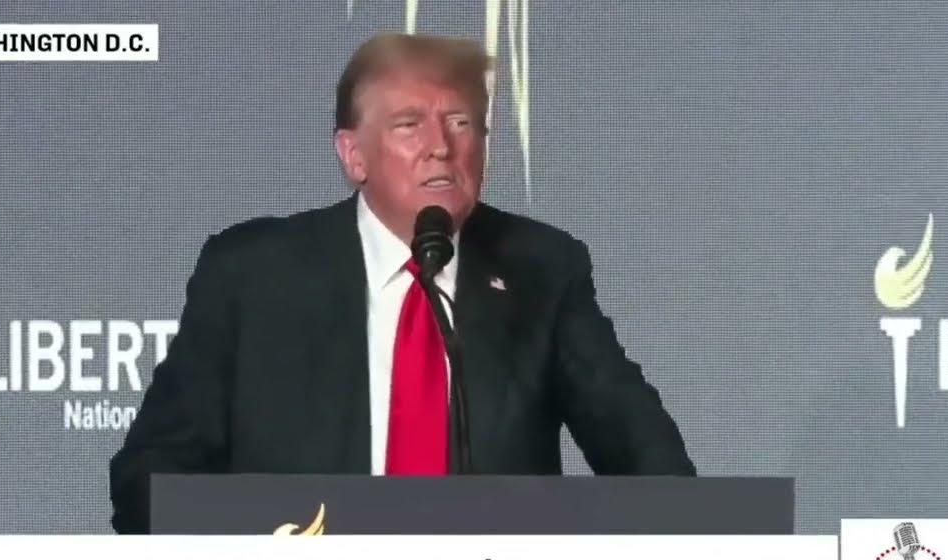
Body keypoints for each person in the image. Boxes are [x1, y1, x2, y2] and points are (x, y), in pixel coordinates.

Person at [110, 30, 695, 533]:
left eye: (462, 123)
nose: (441, 147)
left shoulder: (540, 268)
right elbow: (150, 477)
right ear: (353, 155)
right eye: (409, 125)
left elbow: (652, 465)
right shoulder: (252, 273)